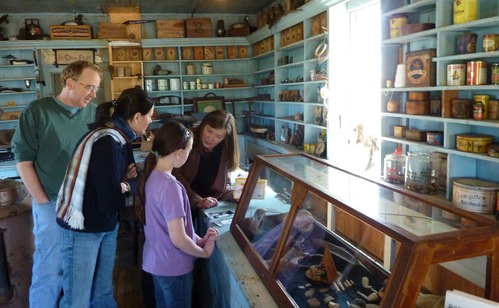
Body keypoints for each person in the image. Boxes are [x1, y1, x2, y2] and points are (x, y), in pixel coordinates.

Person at [11, 60, 102, 308]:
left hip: (84, 205)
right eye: (89, 87)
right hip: (51, 202)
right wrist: (42, 200)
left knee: (80, 272)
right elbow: (23, 160)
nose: (94, 94)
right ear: (70, 83)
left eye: (96, 89)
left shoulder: (94, 114)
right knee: (49, 270)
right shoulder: (37, 110)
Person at [56, 87, 154, 307]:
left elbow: (127, 179)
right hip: (84, 228)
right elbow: (111, 198)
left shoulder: (121, 139)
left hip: (105, 224)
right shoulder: (107, 141)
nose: (150, 121)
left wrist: (124, 184)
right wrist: (127, 185)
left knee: (103, 292)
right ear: (137, 117)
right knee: (77, 298)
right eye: (149, 116)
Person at [138, 121, 218, 307]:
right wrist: (203, 252)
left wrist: (199, 239)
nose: (188, 156)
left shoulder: (152, 176)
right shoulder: (170, 186)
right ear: (179, 153)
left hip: (156, 264)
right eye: (189, 152)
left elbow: (168, 229)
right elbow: (178, 239)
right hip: (173, 268)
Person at [172, 109, 240, 212]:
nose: (210, 138)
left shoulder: (224, 149)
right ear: (203, 124)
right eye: (209, 130)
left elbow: (223, 182)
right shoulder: (187, 139)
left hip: (207, 205)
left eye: (219, 136)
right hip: (181, 202)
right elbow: (174, 175)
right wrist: (196, 200)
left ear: (225, 138)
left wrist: (233, 194)